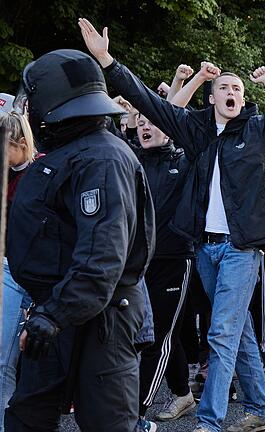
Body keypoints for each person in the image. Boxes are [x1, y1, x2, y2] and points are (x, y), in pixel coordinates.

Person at [79, 17, 265, 432]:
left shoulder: (259, 129)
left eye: (236, 88)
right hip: (205, 247)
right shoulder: (195, 132)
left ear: (242, 97)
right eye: (224, 88)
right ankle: (260, 411)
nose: (231, 92)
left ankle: (210, 421)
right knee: (241, 333)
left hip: (242, 247)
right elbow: (147, 101)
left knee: (222, 332)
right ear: (212, 97)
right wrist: (107, 61)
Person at [6, 49, 154, 432]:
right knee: (26, 416)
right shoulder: (74, 152)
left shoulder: (101, 159)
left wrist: (55, 314)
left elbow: (101, 256)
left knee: (107, 423)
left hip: (96, 316)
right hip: (59, 312)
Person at [122, 111, 195, 430]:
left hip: (175, 259)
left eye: (152, 122)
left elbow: (178, 118)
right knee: (162, 333)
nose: (146, 127)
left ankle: (134, 412)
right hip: (139, 262)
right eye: (141, 123)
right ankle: (182, 393)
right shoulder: (131, 159)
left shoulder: (184, 160)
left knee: (158, 339)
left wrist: (185, 84)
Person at [0, 111, 36, 431]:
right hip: (8, 269)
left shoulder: (38, 176)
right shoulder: (7, 174)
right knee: (4, 360)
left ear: (22, 145)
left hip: (30, 273)